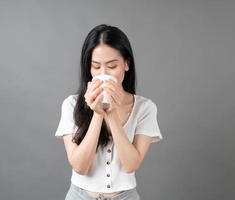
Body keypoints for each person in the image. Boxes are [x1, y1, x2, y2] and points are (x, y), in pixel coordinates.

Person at [55, 24, 163, 200]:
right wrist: (98, 114)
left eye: (112, 66)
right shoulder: (71, 104)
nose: (103, 73)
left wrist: (111, 114)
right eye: (96, 67)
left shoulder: (145, 108)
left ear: (126, 64)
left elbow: (131, 164)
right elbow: (79, 166)